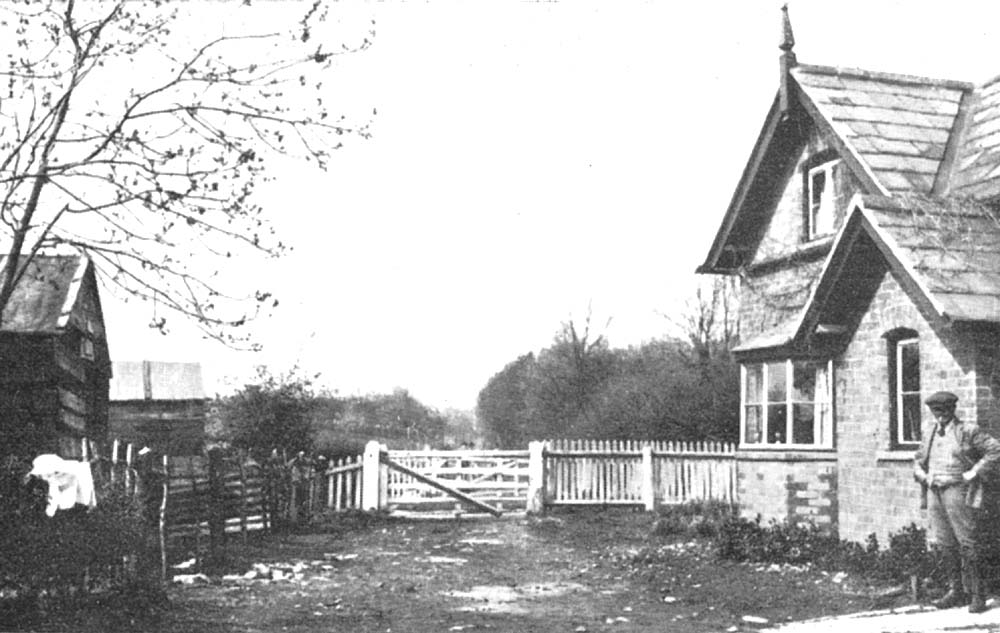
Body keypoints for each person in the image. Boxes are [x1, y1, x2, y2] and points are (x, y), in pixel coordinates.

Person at [914, 391, 1000, 613]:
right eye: (936, 411)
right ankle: (956, 591)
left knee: (968, 542)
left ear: (953, 410)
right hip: (935, 492)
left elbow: (995, 450)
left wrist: (974, 472)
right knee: (945, 542)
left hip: (958, 491)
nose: (940, 415)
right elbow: (917, 462)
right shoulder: (929, 433)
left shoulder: (967, 431)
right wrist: (925, 477)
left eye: (944, 411)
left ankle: (977, 595)